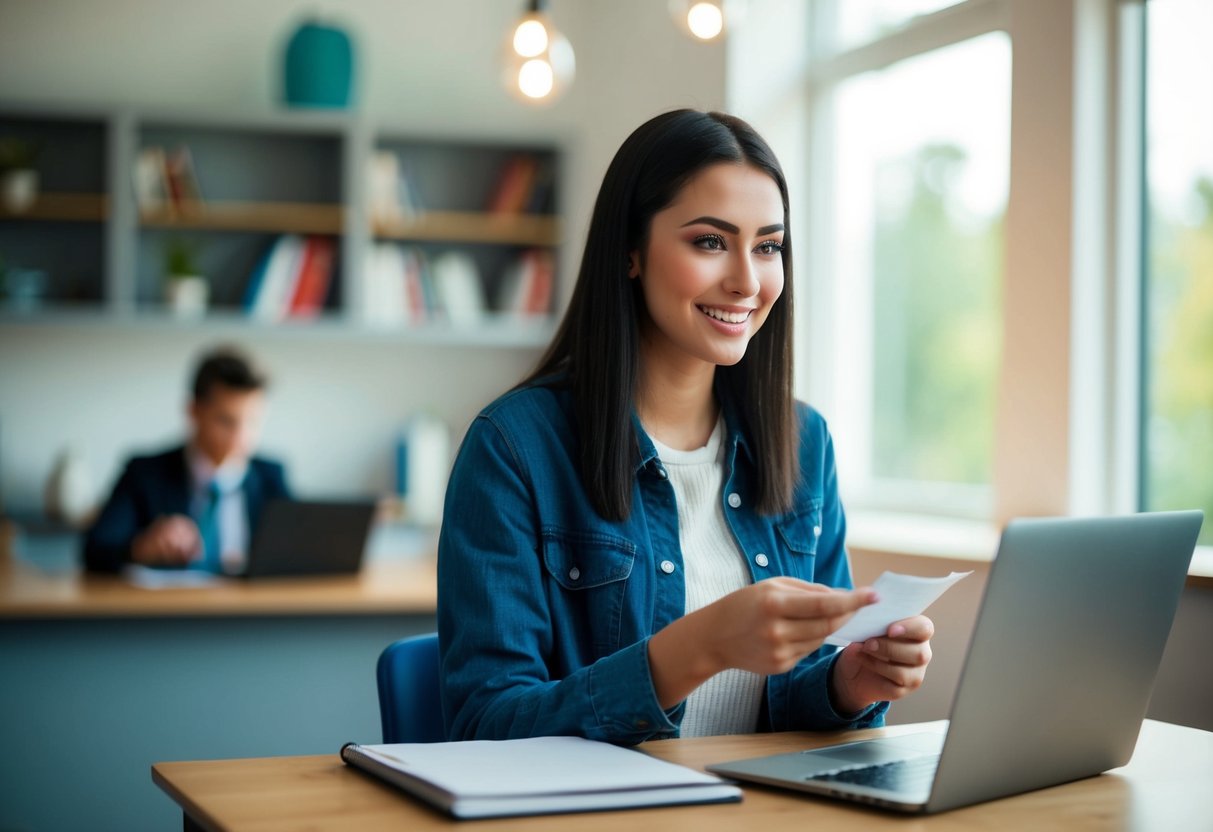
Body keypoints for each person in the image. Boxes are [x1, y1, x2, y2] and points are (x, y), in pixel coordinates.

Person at [437, 110, 933, 745]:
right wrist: (698, 647)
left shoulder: (805, 443)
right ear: (631, 252)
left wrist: (848, 685)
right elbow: (486, 727)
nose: (747, 282)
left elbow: (794, 702)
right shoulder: (514, 447)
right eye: (710, 241)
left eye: (769, 246)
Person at [83, 345, 291, 575]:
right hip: (172, 609)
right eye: (226, 421)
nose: (240, 437)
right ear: (193, 411)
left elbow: (299, 553)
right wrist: (140, 548)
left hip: (252, 609)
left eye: (252, 422)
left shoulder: (272, 477)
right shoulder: (145, 474)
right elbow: (95, 550)